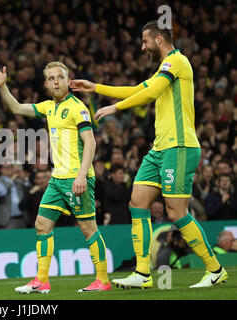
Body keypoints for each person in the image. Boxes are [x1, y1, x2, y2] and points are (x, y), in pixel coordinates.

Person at [70, 20, 227, 288]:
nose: (142, 47)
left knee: (176, 212)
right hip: (159, 150)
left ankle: (214, 269)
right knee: (138, 202)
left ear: (159, 39)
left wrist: (116, 108)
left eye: (145, 41)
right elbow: (138, 90)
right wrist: (96, 88)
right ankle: (143, 273)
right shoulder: (163, 70)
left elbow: (150, 93)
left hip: (179, 147)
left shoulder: (177, 61)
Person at [0, 60, 110, 293]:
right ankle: (41, 280)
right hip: (57, 180)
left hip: (77, 177)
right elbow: (16, 108)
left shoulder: (78, 108)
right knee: (42, 224)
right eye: (52, 78)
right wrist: (2, 86)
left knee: (89, 229)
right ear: (46, 84)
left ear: (68, 81)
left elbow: (90, 142)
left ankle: (103, 280)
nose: (56, 81)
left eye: (60, 77)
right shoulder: (48, 107)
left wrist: (82, 176)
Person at [0, 163, 27, 229]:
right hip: (7, 219)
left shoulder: (19, 180)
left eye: (10, 167)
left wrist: (25, 179)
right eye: (5, 167)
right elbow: (1, 193)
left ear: (13, 169)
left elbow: (30, 190)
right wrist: (11, 180)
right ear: (0, 170)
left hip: (23, 218)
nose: (7, 169)